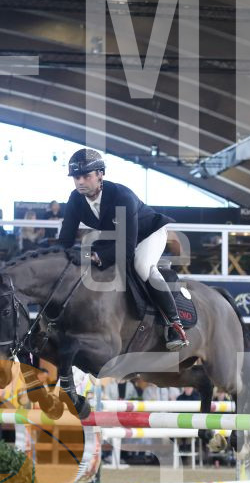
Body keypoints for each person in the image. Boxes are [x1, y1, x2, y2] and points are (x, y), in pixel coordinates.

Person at [56, 148, 188, 350]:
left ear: (100, 174)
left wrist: (91, 256)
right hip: (118, 236)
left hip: (148, 234)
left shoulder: (121, 196)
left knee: (142, 266)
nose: (80, 181)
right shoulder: (75, 198)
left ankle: (174, 324)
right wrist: (55, 256)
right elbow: (65, 240)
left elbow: (126, 248)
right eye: (76, 177)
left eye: (86, 176)